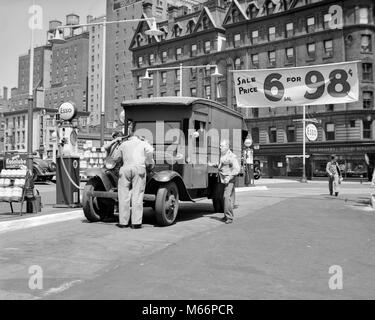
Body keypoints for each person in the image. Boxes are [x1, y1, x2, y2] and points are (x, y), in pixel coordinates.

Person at [114, 130, 154, 229]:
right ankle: (136, 223)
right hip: (139, 169)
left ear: (129, 137)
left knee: (123, 196)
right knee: (137, 196)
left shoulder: (124, 144)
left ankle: (123, 222)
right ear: (138, 137)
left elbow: (116, 157)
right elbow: (150, 151)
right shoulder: (143, 143)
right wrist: (148, 161)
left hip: (125, 168)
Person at [218, 140, 240, 224]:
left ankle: (229, 217)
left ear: (227, 147)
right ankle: (226, 216)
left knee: (226, 197)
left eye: (222, 146)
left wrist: (229, 177)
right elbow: (222, 165)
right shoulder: (223, 155)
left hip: (229, 179)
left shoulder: (232, 156)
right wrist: (212, 164)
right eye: (220, 146)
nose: (220, 147)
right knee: (228, 198)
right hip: (224, 179)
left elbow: (236, 169)